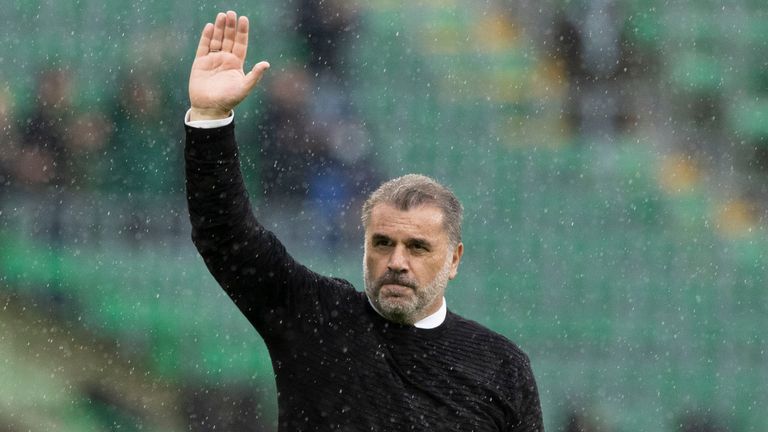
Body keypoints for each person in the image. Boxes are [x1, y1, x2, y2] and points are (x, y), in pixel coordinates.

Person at [184, 11, 543, 431]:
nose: (397, 261)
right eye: (383, 242)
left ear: (454, 258)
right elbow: (225, 237)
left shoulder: (500, 367)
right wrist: (210, 118)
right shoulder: (318, 320)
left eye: (418, 247)